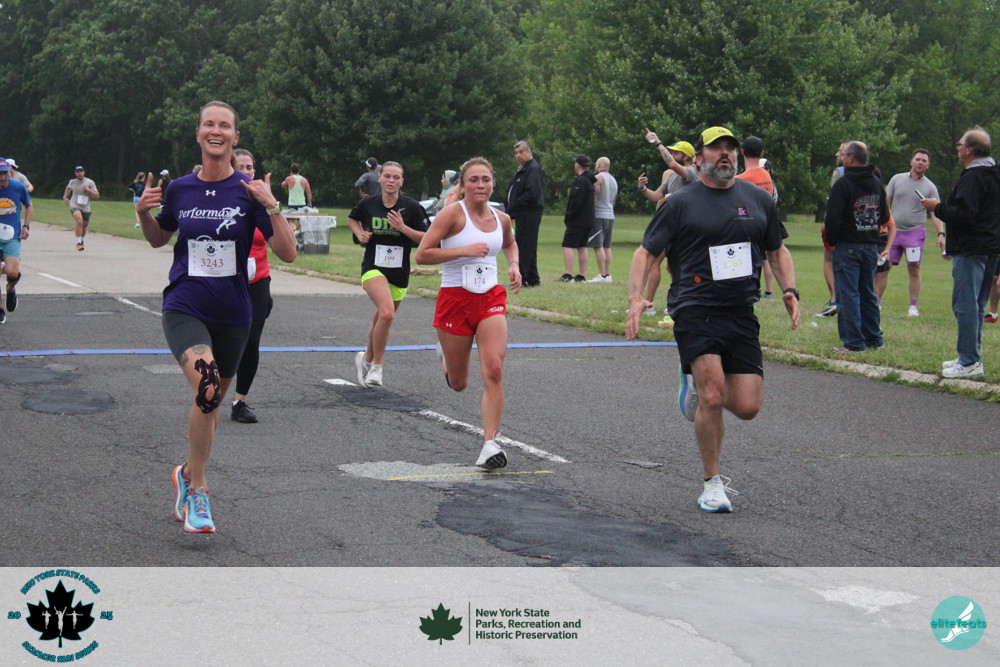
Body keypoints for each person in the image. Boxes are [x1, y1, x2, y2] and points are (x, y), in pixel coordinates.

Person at [135, 101, 297, 533]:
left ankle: (186, 472)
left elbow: (288, 253)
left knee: (211, 400)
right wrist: (143, 213)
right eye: (209, 124)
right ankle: (199, 491)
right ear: (198, 133)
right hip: (185, 305)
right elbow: (158, 239)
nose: (216, 131)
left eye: (224, 125)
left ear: (235, 137)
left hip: (234, 313)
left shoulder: (248, 191)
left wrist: (272, 205)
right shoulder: (180, 189)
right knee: (207, 389)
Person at [626, 126, 799, 513]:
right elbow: (645, 252)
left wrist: (790, 290)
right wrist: (636, 298)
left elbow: (777, 250)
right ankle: (712, 483)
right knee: (713, 396)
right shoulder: (680, 202)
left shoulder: (757, 199)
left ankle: (694, 385)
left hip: (740, 311)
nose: (725, 154)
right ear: (699, 157)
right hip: (694, 307)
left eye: (730, 148)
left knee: (748, 406)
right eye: (716, 148)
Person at [414, 156, 521, 470]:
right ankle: (446, 357)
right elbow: (422, 255)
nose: (480, 185)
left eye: (486, 179)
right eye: (473, 180)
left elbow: (510, 244)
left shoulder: (502, 219)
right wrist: (464, 250)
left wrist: (514, 264)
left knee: (494, 369)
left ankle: (490, 444)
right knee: (459, 382)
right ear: (462, 185)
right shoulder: (451, 214)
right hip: (455, 300)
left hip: (490, 298)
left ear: (493, 184)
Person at [920, 126, 1000, 378]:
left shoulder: (973, 177)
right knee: (976, 305)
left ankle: (968, 361)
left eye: (960, 144)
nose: (958, 149)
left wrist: (937, 207)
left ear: (970, 149)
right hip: (991, 247)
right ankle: (971, 357)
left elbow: (964, 214)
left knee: (965, 305)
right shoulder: (994, 173)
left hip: (971, 248)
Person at [348, 161, 429, 388]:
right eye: (387, 176)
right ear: (380, 178)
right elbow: (353, 218)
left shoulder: (412, 207)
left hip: (399, 273)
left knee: (381, 319)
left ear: (402, 181)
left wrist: (403, 228)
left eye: (396, 177)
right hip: (373, 267)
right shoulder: (369, 204)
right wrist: (360, 234)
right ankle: (377, 367)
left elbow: (427, 237)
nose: (391, 181)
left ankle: (365, 359)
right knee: (387, 313)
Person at [825, 141, 889, 352]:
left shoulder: (843, 184)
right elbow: (884, 215)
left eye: (843, 154)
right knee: (868, 293)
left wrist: (832, 240)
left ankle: (853, 342)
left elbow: (833, 218)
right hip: (870, 245)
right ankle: (873, 338)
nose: (841, 157)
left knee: (848, 294)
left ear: (851, 158)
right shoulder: (876, 183)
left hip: (848, 246)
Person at [230, 148, 276, 423]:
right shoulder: (224, 200)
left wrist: (271, 205)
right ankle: (209, 390)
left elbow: (281, 241)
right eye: (241, 167)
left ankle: (240, 401)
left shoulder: (262, 200)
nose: (247, 172)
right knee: (222, 340)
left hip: (257, 280)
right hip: (226, 281)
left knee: (252, 341)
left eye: (250, 167)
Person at [637, 136, 698, 326]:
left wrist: (657, 143)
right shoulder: (671, 177)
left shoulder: (692, 172)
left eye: (676, 152)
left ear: (686, 156)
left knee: (676, 266)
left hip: (685, 227)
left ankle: (668, 305)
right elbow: (656, 196)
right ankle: (673, 304)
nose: (672, 154)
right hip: (670, 226)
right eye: (671, 151)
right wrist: (642, 187)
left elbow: (671, 164)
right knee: (670, 266)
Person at [884, 149, 944, 316]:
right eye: (918, 159)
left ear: (928, 165)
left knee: (914, 268)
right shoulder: (897, 179)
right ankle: (876, 303)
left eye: (924, 161)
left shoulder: (930, 187)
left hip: (915, 233)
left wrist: (941, 233)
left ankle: (913, 306)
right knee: (883, 267)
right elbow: (886, 201)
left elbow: (935, 212)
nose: (920, 163)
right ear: (911, 161)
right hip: (893, 231)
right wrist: (883, 222)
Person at [736, 136, 777, 298]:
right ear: (762, 153)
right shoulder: (767, 177)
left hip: (746, 228)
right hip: (765, 224)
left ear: (742, 152)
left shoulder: (739, 180)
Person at [815, 142, 849, 317]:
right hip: (858, 229)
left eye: (841, 152)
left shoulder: (839, 172)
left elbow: (836, 201)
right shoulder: (870, 175)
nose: (837, 155)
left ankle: (835, 300)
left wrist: (827, 222)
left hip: (837, 224)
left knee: (829, 260)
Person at [505, 140, 544, 287]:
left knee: (524, 245)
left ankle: (523, 278)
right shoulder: (523, 169)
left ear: (529, 152)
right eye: (516, 153)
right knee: (528, 245)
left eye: (521, 152)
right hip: (522, 213)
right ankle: (533, 278)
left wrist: (515, 204)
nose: (518, 155)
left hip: (529, 212)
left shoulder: (532, 168)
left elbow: (532, 193)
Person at [0, 157, 32, 325]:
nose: (2, 178)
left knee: (12, 272)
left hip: (11, 237)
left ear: (9, 172)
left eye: (5, 173)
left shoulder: (18, 187)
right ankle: (0, 309)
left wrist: (26, 226)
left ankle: (10, 289)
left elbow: (29, 205)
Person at [560, 154, 596, 282]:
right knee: (582, 247)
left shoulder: (581, 181)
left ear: (578, 165)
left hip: (578, 220)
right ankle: (581, 275)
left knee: (567, 245)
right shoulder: (590, 181)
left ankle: (568, 274)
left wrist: (569, 215)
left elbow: (576, 201)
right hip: (588, 220)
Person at [587, 156, 618, 283]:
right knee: (607, 246)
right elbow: (614, 200)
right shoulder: (613, 180)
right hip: (610, 215)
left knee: (598, 246)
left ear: (599, 165)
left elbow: (594, 196)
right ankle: (607, 274)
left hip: (599, 214)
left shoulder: (598, 178)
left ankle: (602, 275)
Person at [62, 165, 100, 251]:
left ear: (84, 172)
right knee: (79, 221)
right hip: (74, 205)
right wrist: (65, 196)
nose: (79, 174)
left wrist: (88, 190)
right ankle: (78, 242)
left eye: (81, 172)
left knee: (84, 226)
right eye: (77, 172)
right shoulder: (72, 182)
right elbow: (68, 188)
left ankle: (81, 240)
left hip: (85, 206)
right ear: (75, 173)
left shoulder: (90, 182)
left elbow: (97, 196)